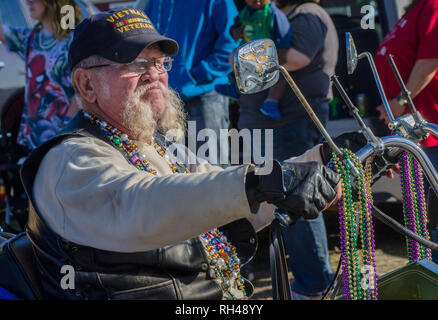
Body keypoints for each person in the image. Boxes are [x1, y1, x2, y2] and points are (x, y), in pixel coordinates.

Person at [18, 9, 346, 300]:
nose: (155, 75)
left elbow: (225, 200)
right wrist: (255, 184)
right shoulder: (70, 158)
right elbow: (141, 204)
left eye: (160, 63)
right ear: (86, 85)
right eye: (134, 63)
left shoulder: (159, 145)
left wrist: (324, 160)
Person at [236, 0, 339, 299]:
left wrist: (250, 51)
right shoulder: (286, 15)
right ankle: (311, 282)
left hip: (292, 124)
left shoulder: (307, 13)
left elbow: (297, 57)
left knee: (301, 196)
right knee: (291, 199)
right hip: (280, 127)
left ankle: (315, 284)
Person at [0, 0, 82, 232]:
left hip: (62, 134)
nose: (27, 3)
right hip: (33, 138)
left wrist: (66, 126)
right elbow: (3, 33)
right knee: (37, 205)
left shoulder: (73, 42)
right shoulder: (32, 39)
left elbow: (81, 91)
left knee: (62, 203)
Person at [374, 0, 438, 263]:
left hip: (431, 131)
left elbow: (432, 58)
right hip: (413, 137)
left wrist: (399, 101)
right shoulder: (413, 10)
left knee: (433, 224)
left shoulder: (433, 5)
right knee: (425, 226)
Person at [142, 0, 239, 165]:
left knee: (211, 166)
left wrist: (197, 75)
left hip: (206, 95)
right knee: (172, 166)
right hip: (166, 97)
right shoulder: (154, 2)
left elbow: (231, 43)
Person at [216, 0, 292, 120]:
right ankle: (236, 86)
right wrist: (235, 32)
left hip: (267, 55)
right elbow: (235, 27)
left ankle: (271, 101)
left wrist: (280, 53)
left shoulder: (273, 14)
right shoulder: (245, 12)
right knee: (233, 55)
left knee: (279, 76)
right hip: (248, 53)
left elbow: (283, 35)